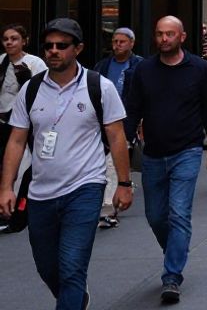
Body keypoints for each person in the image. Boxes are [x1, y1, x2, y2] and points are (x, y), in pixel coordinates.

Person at [0, 18, 134, 310]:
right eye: (48, 46)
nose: (53, 51)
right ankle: (76, 298)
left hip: (85, 187)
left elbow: (116, 136)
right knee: (48, 267)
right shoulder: (31, 90)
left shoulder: (100, 87)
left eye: (62, 45)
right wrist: (6, 187)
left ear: (78, 49)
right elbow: (16, 141)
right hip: (40, 192)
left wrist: (124, 184)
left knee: (72, 266)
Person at [123, 16, 207, 304]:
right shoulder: (144, 70)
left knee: (179, 213)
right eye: (159, 34)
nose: (164, 39)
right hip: (153, 152)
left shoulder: (199, 69)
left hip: (187, 150)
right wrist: (125, 143)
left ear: (182, 36)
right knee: (155, 216)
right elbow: (133, 110)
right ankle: (175, 251)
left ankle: (172, 276)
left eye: (169, 34)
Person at [92, 27, 142, 228]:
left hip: (126, 121)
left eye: (122, 41)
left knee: (113, 162)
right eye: (115, 41)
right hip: (101, 120)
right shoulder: (102, 66)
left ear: (131, 43)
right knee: (102, 162)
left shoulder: (139, 66)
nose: (117, 45)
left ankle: (108, 209)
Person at [0, 24, 46, 230]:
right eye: (6, 39)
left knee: (20, 166)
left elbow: (43, 90)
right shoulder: (1, 62)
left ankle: (15, 213)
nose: (9, 42)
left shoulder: (34, 63)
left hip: (24, 124)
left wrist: (26, 79)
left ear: (24, 41)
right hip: (2, 121)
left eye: (14, 38)